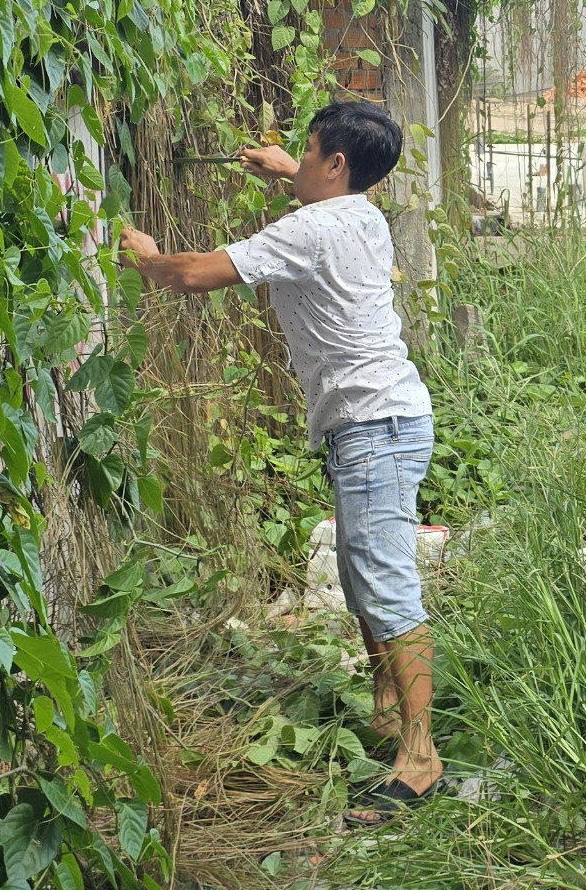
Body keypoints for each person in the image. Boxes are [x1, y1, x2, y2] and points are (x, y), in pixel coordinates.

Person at [120, 101, 443, 808]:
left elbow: (196, 275)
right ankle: (390, 707)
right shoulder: (364, 214)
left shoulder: (314, 227)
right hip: (382, 419)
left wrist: (143, 256)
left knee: (384, 582)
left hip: (372, 426)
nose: (293, 158)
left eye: (306, 150)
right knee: (363, 578)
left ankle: (420, 758)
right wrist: (285, 170)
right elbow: (320, 208)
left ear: (335, 164)